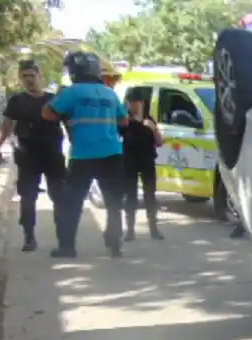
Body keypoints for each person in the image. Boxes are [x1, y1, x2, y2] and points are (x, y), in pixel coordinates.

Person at [41, 51, 128, 259]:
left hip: (83, 155)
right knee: (114, 202)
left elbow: (47, 113)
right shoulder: (110, 93)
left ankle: (67, 247)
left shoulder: (72, 92)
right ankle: (115, 244)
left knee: (72, 203)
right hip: (112, 154)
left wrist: (67, 114)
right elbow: (124, 121)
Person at [0, 60, 65, 252]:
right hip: (28, 155)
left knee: (59, 197)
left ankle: (64, 240)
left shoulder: (54, 100)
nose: (29, 80)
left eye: (32, 75)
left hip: (52, 155)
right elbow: (6, 126)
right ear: (20, 79)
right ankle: (29, 238)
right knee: (28, 197)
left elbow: (69, 124)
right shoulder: (17, 101)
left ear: (39, 76)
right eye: (24, 76)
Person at [120, 90, 164, 242]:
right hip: (130, 161)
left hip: (147, 160)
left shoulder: (149, 119)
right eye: (131, 102)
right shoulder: (125, 119)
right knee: (130, 196)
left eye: (137, 102)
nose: (134, 105)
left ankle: (154, 228)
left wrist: (153, 128)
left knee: (150, 195)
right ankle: (130, 231)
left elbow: (160, 142)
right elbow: (116, 135)